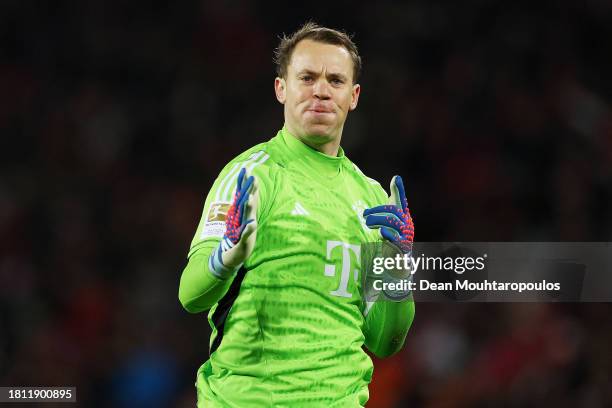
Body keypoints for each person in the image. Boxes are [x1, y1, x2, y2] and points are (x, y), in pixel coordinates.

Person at [178, 22, 415, 407]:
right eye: (307, 77)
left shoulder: (373, 198)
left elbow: (385, 341)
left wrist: (398, 268)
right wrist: (225, 257)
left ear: (353, 96)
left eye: (335, 81)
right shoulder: (251, 176)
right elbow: (190, 294)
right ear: (281, 88)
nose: (321, 90)